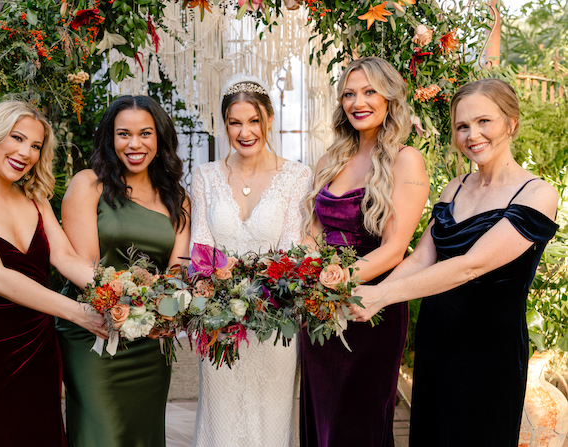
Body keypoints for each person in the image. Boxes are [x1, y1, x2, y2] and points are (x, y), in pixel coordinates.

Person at [351, 78, 559, 445]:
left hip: (491, 351)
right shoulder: (455, 187)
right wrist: (369, 294)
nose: (472, 135)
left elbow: (471, 265)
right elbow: (420, 259)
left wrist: (382, 297)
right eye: (462, 126)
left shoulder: (537, 193)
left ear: (511, 122)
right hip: (437, 341)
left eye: (484, 122)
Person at [0, 101, 107, 447]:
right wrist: (79, 313)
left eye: (36, 145)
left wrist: (122, 295)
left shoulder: (36, 200)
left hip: (37, 351)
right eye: (17, 138)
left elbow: (67, 257)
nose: (26, 152)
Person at [299, 56, 429, 447]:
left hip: (371, 309)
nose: (359, 102)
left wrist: (337, 285)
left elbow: (394, 249)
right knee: (322, 416)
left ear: (390, 97)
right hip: (319, 310)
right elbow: (312, 233)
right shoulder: (329, 160)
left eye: (370, 91)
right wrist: (311, 282)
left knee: (360, 422)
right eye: (350, 94)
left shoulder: (406, 160)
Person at [55, 95, 190, 447]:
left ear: (159, 138)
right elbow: (85, 265)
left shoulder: (176, 197)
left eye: (145, 133)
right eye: (123, 134)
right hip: (95, 330)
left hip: (151, 337)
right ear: (110, 139)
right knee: (104, 432)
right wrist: (129, 302)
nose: (134, 144)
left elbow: (178, 266)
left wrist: (163, 309)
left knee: (142, 433)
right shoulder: (89, 184)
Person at [189, 74, 312, 447]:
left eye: (254, 121)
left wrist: (258, 295)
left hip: (273, 320)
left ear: (269, 120)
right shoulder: (205, 176)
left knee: (272, 419)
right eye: (235, 122)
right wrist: (216, 298)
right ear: (224, 124)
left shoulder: (296, 176)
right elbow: (200, 248)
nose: (245, 131)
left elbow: (291, 252)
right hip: (219, 321)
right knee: (220, 417)